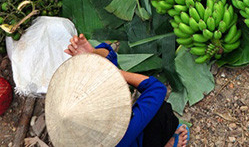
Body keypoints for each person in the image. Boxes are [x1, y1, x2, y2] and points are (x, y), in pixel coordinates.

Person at [45, 34, 189, 147]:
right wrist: (115, 73)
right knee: (161, 113)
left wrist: (94, 53)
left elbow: (110, 56)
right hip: (134, 141)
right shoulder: (122, 136)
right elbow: (156, 89)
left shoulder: (77, 138)